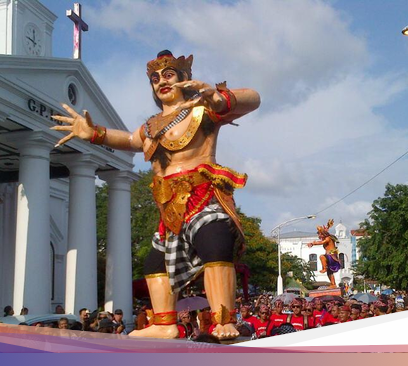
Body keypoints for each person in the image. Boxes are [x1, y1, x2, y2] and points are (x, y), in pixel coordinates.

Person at [52, 50, 260, 341]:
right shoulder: (151, 126)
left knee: (215, 244)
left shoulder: (204, 110)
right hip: (170, 204)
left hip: (201, 194)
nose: (161, 82)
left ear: (185, 79)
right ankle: (165, 324)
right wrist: (94, 133)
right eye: (155, 78)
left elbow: (254, 98)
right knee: (155, 263)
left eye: (169, 75)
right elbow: (127, 140)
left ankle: (223, 320)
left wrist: (215, 96)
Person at [306, 219, 341, 288]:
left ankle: (324, 268)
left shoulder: (328, 238)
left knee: (322, 257)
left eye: (320, 234)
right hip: (329, 255)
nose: (319, 236)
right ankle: (333, 284)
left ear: (322, 234)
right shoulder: (326, 237)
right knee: (329, 272)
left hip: (331, 255)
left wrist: (313, 243)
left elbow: (321, 242)